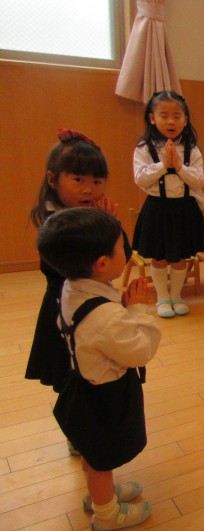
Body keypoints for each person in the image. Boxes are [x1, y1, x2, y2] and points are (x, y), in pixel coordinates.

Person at [38, 207, 161, 531]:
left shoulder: (71, 285)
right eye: (122, 247)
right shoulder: (106, 317)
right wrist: (138, 310)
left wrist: (122, 310)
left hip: (81, 387)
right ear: (103, 264)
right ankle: (106, 513)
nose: (127, 251)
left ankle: (99, 495)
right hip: (104, 396)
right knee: (101, 459)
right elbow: (140, 351)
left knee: (92, 452)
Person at [26, 129, 131, 456]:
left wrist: (111, 227)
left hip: (88, 306)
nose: (90, 189)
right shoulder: (59, 224)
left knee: (89, 373)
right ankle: (79, 435)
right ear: (53, 180)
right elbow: (100, 267)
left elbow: (120, 259)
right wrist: (106, 227)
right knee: (73, 374)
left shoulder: (86, 217)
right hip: (68, 309)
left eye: (97, 181)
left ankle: (82, 433)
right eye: (79, 179)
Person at [132, 90, 204, 318]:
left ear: (185, 120)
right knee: (160, 257)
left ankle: (176, 296)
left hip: (184, 209)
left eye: (177, 116)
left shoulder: (192, 148)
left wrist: (179, 166)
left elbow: (199, 180)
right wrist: (164, 165)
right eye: (164, 115)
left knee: (180, 257)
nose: (171, 121)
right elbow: (140, 179)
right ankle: (162, 298)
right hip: (157, 209)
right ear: (152, 118)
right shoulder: (144, 148)